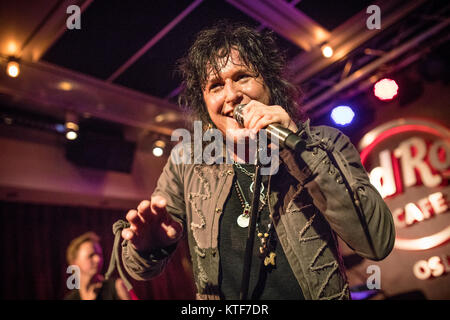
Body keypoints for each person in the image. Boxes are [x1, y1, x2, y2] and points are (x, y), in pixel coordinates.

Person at [119, 22, 395, 300]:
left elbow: (377, 242)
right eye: (215, 86)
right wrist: (149, 249)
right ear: (205, 104)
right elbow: (139, 269)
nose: (231, 95)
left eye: (241, 77)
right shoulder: (186, 162)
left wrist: (300, 151)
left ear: (269, 84)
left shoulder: (325, 143)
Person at [64, 231, 130, 300]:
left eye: (100, 255)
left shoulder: (117, 287)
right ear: (75, 263)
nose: (98, 259)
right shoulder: (71, 298)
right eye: (91, 255)